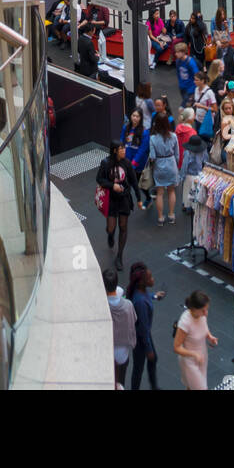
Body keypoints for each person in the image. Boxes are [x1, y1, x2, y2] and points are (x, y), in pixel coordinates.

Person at [96, 142, 141, 270]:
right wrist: (112, 185)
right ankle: (110, 235)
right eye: (121, 149)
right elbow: (99, 179)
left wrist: (138, 198)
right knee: (111, 228)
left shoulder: (127, 163)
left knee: (123, 226)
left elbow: (133, 181)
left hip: (124, 198)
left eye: (124, 148)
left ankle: (119, 256)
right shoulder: (106, 163)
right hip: (111, 199)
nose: (124, 151)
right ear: (115, 150)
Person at [127, 263, 162, 391]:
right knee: (138, 368)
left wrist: (154, 296)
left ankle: (154, 386)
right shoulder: (140, 302)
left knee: (152, 360)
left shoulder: (141, 292)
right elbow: (143, 329)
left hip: (143, 334)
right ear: (142, 282)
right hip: (140, 338)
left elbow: (146, 296)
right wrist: (148, 349)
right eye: (150, 277)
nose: (152, 279)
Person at [173, 289, 217, 391]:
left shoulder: (201, 314)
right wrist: (194, 354)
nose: (206, 313)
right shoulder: (185, 323)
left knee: (190, 387)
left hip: (201, 357)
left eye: (207, 309)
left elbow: (203, 327)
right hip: (189, 361)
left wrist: (209, 336)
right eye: (203, 310)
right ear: (193, 309)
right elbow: (176, 347)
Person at [103, 266, 136, 388]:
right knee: (120, 382)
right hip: (122, 354)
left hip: (106, 354)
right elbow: (133, 324)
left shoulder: (102, 307)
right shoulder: (128, 305)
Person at [148, 112, 181, 225]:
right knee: (171, 191)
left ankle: (160, 218)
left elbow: (152, 156)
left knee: (160, 192)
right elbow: (177, 154)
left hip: (159, 165)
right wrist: (175, 165)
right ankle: (171, 215)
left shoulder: (152, 138)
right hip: (171, 164)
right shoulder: (174, 136)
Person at [120, 108, 150, 183]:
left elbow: (142, 150)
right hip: (126, 160)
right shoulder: (125, 128)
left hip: (139, 163)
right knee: (127, 184)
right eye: (133, 115)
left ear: (141, 118)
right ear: (131, 116)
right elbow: (122, 142)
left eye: (137, 116)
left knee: (139, 185)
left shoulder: (144, 132)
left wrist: (133, 164)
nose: (135, 118)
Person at [192, 70, 217, 144]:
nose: (194, 81)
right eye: (194, 79)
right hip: (197, 119)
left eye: (196, 80)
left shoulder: (209, 93)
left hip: (206, 121)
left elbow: (215, 109)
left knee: (206, 141)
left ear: (202, 81)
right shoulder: (196, 89)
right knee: (199, 139)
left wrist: (202, 106)